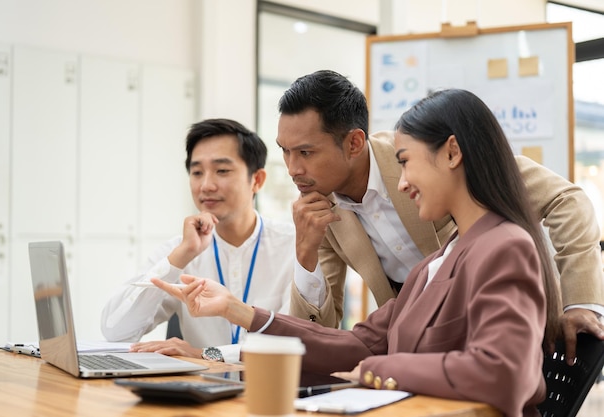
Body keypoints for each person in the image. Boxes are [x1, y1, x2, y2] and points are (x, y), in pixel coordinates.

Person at [152, 88, 563, 417]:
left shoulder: (504, 245)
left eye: (406, 162)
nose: (400, 184)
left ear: (453, 153)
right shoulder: (432, 265)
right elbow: (357, 344)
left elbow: (502, 373)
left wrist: (378, 370)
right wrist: (236, 311)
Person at [278, 69, 604, 362]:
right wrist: (305, 257)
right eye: (284, 151)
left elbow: (566, 200)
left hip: (510, 337)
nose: (293, 169)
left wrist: (580, 301)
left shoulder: (423, 151)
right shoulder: (317, 210)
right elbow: (319, 335)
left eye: (306, 152)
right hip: (424, 354)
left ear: (354, 143)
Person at [101, 118, 295, 363]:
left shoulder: (292, 247)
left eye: (222, 171)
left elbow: (292, 342)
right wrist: (180, 257)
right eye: (196, 172)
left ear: (256, 180)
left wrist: (203, 354)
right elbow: (115, 331)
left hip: (271, 395)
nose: (206, 185)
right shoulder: (180, 250)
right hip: (200, 397)